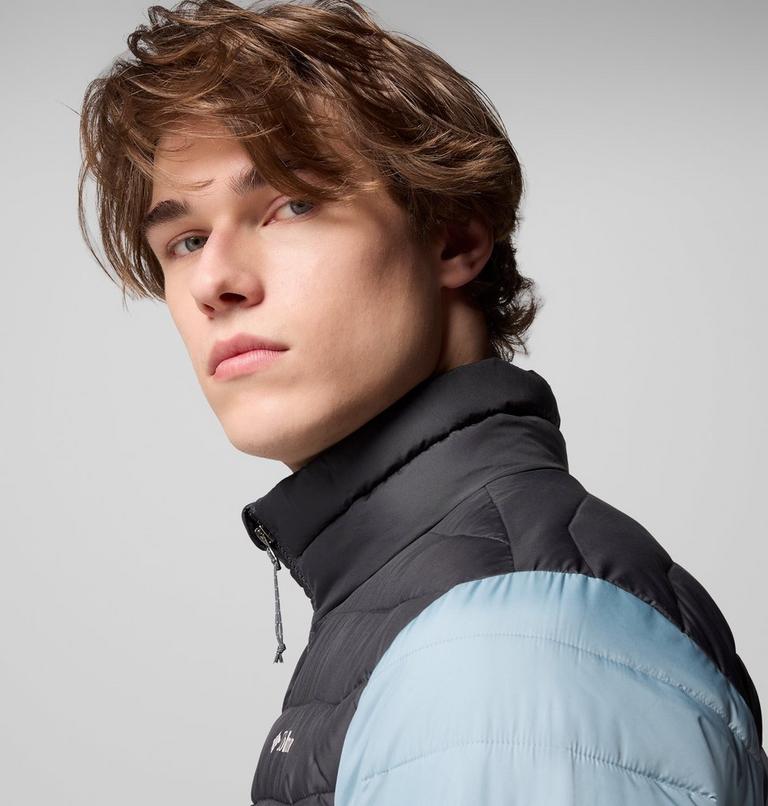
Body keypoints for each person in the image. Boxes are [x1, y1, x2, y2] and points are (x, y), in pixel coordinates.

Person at [77, 0, 768, 803]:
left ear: (453, 238)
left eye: (291, 205)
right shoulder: (438, 597)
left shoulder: (505, 641)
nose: (214, 282)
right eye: (187, 240)